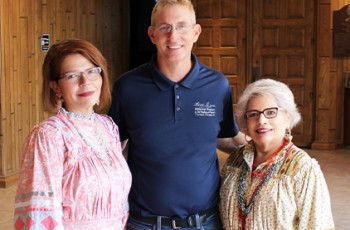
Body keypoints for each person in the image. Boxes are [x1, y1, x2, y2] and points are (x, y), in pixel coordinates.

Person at [108, 0, 247, 229]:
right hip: (144, 222)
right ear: (152, 35)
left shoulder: (217, 86)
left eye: (182, 26)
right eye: (164, 27)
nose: (173, 36)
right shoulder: (127, 87)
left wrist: (272, 150)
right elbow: (113, 148)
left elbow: (228, 138)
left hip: (205, 221)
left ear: (196, 32)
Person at [14, 39, 132, 229]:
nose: (86, 82)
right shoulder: (48, 136)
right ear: (56, 87)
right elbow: (38, 216)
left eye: (92, 71)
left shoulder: (108, 126)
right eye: (72, 76)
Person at [220, 78, 335, 230]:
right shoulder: (235, 160)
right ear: (245, 122)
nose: (261, 120)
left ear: (287, 117)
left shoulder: (303, 169)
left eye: (271, 112)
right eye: (253, 114)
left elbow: (318, 225)